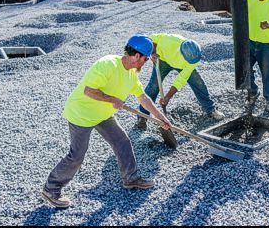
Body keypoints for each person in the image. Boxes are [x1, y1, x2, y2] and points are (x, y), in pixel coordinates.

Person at [42, 34, 172, 209]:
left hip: (103, 115)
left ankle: (131, 178)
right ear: (137, 56)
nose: (146, 62)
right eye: (146, 58)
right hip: (82, 114)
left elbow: (143, 97)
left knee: (123, 142)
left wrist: (160, 118)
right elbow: (89, 91)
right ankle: (51, 189)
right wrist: (112, 99)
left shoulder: (131, 74)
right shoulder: (108, 64)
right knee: (77, 156)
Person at [137, 33, 224, 129]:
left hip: (182, 66)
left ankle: (211, 110)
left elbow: (181, 79)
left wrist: (167, 97)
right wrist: (151, 53)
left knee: (198, 83)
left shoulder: (194, 58)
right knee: (153, 86)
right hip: (163, 61)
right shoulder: (169, 41)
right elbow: (149, 40)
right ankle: (142, 117)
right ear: (181, 53)